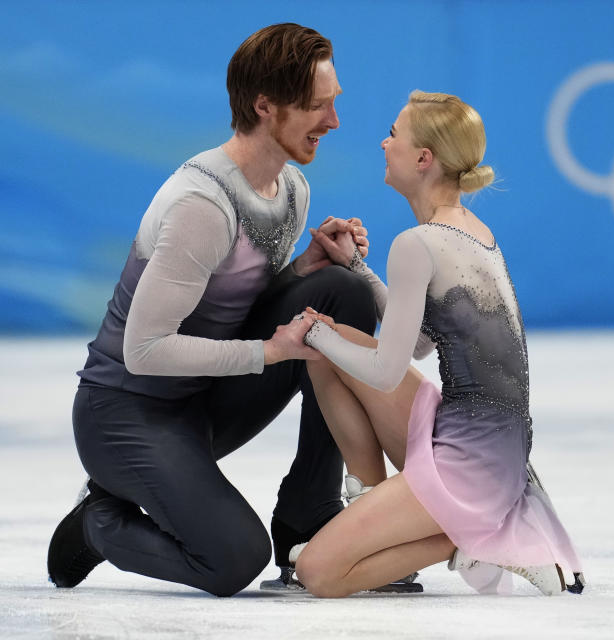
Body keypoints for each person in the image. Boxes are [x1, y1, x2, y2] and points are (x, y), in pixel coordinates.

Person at [46, 23, 380, 597]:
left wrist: (309, 269)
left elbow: (236, 295)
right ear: (265, 107)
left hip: (202, 400)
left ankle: (308, 513)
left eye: (333, 103)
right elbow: (144, 350)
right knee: (233, 559)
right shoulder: (202, 203)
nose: (333, 122)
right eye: (316, 107)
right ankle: (99, 523)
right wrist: (273, 351)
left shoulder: (291, 188)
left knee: (340, 296)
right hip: (126, 413)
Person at [286, 90, 585, 597]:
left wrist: (306, 331)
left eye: (394, 134)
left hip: (472, 463)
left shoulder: (416, 244)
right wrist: (355, 269)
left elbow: (384, 371)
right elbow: (422, 344)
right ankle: (370, 507)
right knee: (331, 350)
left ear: (424, 158)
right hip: (493, 447)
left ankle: (471, 538)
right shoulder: (472, 230)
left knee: (317, 571)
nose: (383, 142)